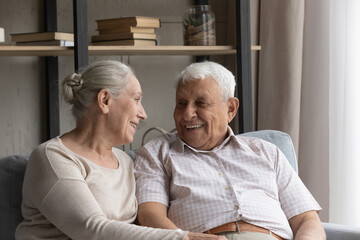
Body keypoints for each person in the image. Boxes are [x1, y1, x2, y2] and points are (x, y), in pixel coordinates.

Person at [15, 60, 225, 240]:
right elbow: (91, 230)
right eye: (137, 99)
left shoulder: (125, 161)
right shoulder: (53, 157)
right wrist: (182, 237)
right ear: (105, 101)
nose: (143, 114)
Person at [134, 61, 326, 240]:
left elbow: (307, 220)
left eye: (201, 104)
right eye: (181, 104)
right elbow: (150, 216)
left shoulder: (267, 152)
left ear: (231, 109)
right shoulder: (156, 153)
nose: (187, 114)